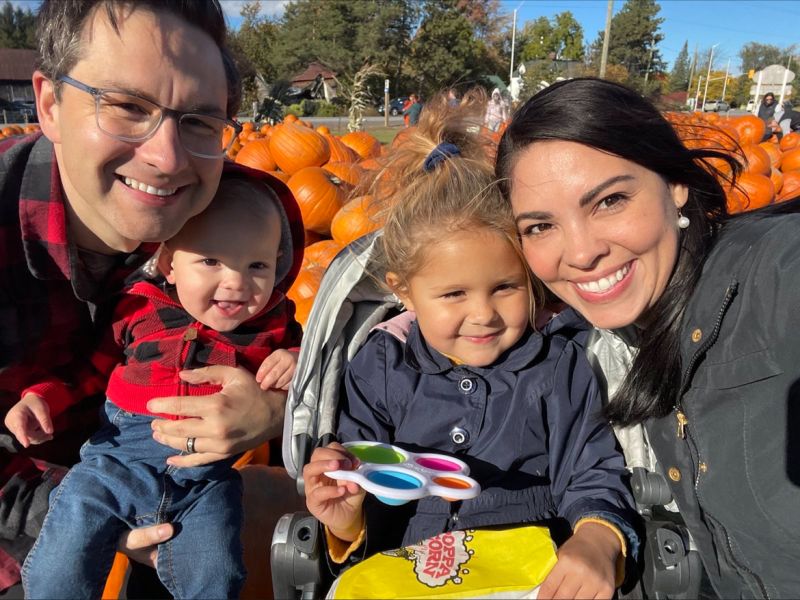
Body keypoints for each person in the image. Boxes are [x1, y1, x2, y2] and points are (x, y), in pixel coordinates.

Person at [0, 1, 301, 595]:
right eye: (127, 107)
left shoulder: (238, 215)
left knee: (272, 512)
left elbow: (295, 343)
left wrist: (281, 411)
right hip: (25, 520)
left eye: (198, 121)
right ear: (50, 104)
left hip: (186, 486)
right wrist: (81, 517)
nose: (166, 160)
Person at [303, 90, 639, 600]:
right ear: (403, 291)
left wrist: (596, 538)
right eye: (454, 294)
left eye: (505, 287)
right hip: (406, 570)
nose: (482, 314)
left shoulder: (556, 366)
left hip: (526, 568)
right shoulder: (382, 366)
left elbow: (590, 469)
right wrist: (347, 521)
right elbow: (367, 474)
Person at [496, 77, 800, 598]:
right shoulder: (611, 332)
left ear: (674, 183)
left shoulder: (772, 275)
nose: (581, 252)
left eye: (610, 200)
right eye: (541, 227)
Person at [7, 170, 303, 598]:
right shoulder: (139, 310)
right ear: (169, 265)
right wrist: (41, 398)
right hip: (114, 465)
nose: (236, 282)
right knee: (62, 564)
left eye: (257, 265)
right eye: (211, 261)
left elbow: (316, 367)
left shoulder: (274, 324)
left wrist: (292, 362)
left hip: (203, 481)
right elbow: (88, 371)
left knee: (216, 573)